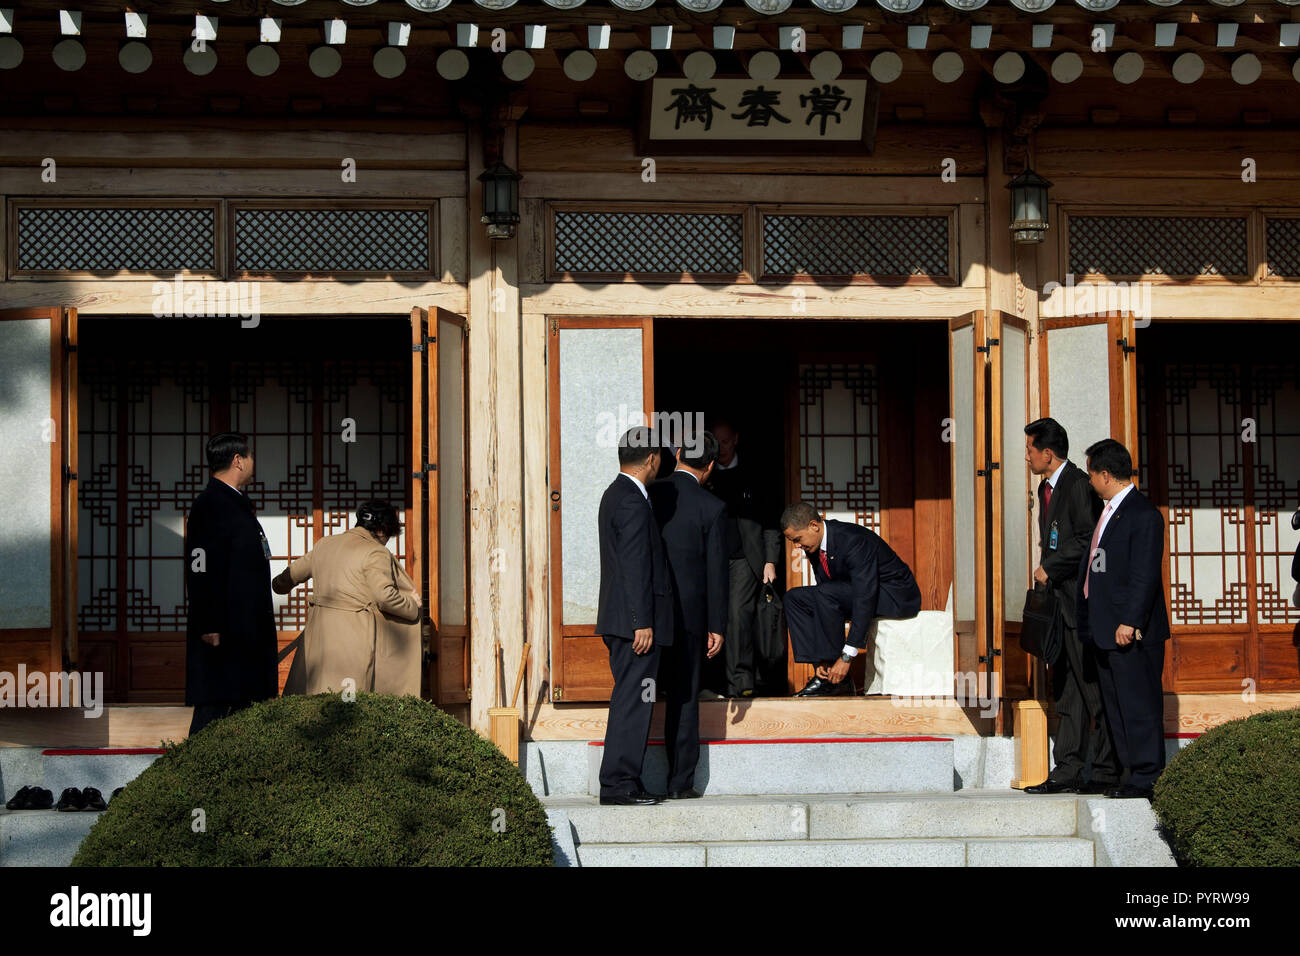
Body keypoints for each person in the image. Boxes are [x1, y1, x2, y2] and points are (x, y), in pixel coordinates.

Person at [1021, 418, 1120, 796]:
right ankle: (1068, 769)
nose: (1027, 456)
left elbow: (1088, 540)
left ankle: (1108, 769)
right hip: (1057, 607)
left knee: (1093, 689)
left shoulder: (1078, 485)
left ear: (1048, 453)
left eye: (1030, 449)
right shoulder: (1048, 488)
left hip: (1079, 605)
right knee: (1067, 691)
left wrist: (1050, 566)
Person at [1076, 439, 1170, 800]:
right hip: (1103, 629)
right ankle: (1129, 772)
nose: (1089, 482)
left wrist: (1129, 621)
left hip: (1130, 631)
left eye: (1091, 474)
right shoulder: (1109, 510)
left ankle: (1147, 776)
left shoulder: (1142, 514)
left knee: (1138, 704)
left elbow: (1144, 574)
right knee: (1115, 705)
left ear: (1104, 474)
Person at [595, 426, 674, 806]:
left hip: (625, 622)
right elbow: (633, 565)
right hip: (634, 625)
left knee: (633, 698)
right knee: (633, 700)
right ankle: (619, 783)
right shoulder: (630, 500)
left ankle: (623, 781)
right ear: (651, 459)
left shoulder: (617, 493)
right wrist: (640, 619)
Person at [272, 500, 422, 696]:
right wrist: (412, 605)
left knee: (316, 696)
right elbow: (384, 597)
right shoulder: (375, 552)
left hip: (318, 636)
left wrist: (278, 584)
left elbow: (283, 581)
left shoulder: (324, 544)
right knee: (348, 703)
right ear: (382, 529)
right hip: (354, 639)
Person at [648, 430, 727, 799]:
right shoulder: (713, 507)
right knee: (684, 694)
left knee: (640, 690)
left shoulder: (650, 492)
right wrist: (717, 625)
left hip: (646, 612)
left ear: (677, 453)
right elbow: (716, 573)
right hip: (690, 616)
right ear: (711, 466)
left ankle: (627, 777)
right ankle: (679, 782)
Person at [184, 433, 279, 736]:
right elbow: (199, 568)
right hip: (224, 628)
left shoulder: (235, 503)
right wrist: (208, 622)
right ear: (238, 460)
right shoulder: (210, 504)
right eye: (250, 456)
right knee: (216, 706)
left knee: (244, 705)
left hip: (246, 626)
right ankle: (192, 773)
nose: (253, 462)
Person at [781, 502, 922, 697]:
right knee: (794, 598)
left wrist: (846, 657)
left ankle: (835, 680)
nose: (797, 546)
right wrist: (820, 659)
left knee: (825, 593)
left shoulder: (853, 540)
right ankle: (825, 670)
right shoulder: (813, 544)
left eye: (797, 539)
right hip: (856, 590)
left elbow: (865, 596)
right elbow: (824, 587)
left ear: (814, 525)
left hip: (895, 595)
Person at [704, 418, 783, 698]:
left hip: (745, 560)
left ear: (736, 439)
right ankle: (711, 683)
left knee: (738, 617)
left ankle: (741, 684)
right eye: (716, 442)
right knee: (710, 617)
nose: (722, 447)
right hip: (709, 560)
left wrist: (771, 559)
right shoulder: (704, 474)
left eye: (726, 441)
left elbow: (771, 521)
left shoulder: (756, 473)